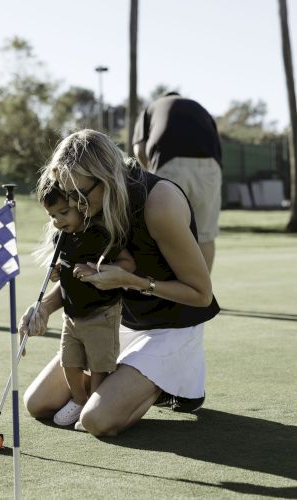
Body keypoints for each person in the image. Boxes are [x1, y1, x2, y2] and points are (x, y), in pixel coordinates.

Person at [18, 129, 220, 437]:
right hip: (117, 322)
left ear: (107, 176)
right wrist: (44, 306)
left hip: (171, 326)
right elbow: (83, 274)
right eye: (69, 195)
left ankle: (168, 384)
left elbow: (201, 294)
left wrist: (130, 280)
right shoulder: (92, 203)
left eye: (81, 195)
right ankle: (127, 383)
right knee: (38, 403)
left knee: (96, 420)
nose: (76, 205)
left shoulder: (159, 203)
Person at [38, 183, 136, 429]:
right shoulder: (60, 237)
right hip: (72, 315)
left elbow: (128, 265)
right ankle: (81, 400)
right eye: (52, 216)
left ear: (80, 206)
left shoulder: (99, 235)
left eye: (63, 213)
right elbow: (69, 267)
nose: (58, 221)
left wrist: (96, 270)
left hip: (101, 313)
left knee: (99, 366)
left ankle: (95, 404)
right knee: (69, 362)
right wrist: (59, 273)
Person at [132, 92, 222, 273]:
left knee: (165, 232)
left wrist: (151, 176)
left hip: (169, 163)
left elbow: (139, 148)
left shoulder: (151, 108)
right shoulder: (199, 108)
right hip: (211, 166)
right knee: (205, 235)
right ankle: (202, 296)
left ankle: (170, 293)